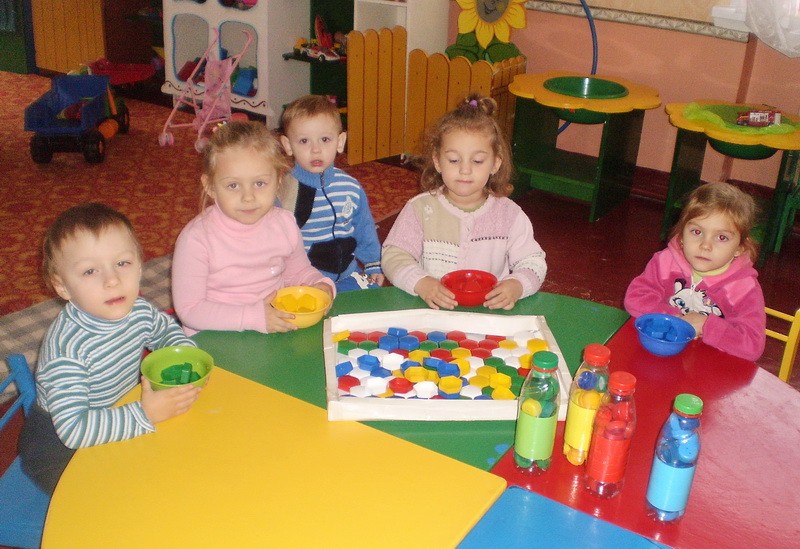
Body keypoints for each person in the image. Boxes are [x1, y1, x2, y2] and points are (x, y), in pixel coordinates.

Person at [18, 203, 201, 495]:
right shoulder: (67, 350)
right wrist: (145, 414)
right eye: (90, 271)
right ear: (62, 287)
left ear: (139, 266)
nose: (112, 280)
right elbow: (74, 430)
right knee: (115, 500)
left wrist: (185, 355)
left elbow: (165, 332)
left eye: (122, 263)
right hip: (59, 447)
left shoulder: (138, 310)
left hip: (117, 411)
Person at [381, 94, 547, 310]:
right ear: (437, 161)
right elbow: (394, 255)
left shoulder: (509, 215)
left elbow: (533, 261)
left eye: (477, 161)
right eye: (453, 160)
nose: (465, 170)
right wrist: (420, 282)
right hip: (433, 311)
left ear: (495, 163)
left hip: (489, 313)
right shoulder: (420, 209)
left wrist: (517, 285)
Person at [172, 120, 335, 334]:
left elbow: (299, 272)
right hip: (215, 336)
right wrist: (253, 317)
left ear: (278, 181)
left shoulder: (284, 224)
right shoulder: (196, 239)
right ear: (210, 186)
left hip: (272, 326)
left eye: (259, 183)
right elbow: (190, 310)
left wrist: (320, 285)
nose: (248, 197)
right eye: (233, 185)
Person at [624, 182, 766, 361]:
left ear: (739, 248)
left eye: (722, 237)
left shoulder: (744, 288)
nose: (705, 245)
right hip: (667, 354)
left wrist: (706, 325)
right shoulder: (665, 261)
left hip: (712, 365)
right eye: (696, 232)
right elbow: (635, 299)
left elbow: (752, 345)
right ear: (682, 236)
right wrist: (677, 319)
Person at [278, 94, 384, 292]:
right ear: (288, 145)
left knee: (378, 303)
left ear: (340, 141)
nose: (316, 150)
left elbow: (364, 227)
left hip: (348, 273)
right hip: (308, 280)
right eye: (304, 141)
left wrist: (373, 263)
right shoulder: (284, 191)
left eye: (325, 139)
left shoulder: (350, 187)